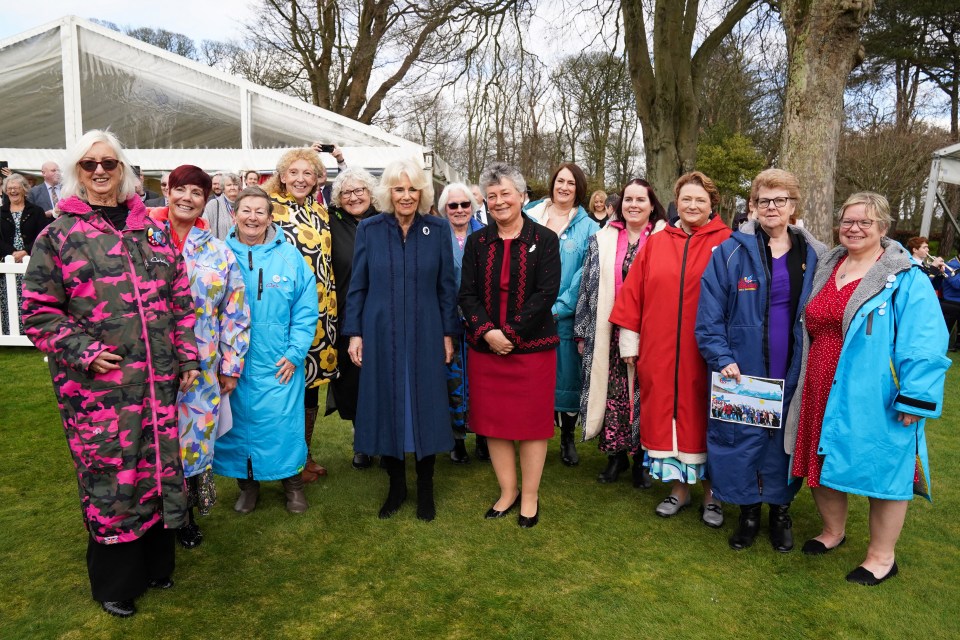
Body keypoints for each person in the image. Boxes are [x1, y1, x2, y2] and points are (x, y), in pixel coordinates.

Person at [21, 129, 200, 618]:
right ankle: (116, 582)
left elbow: (181, 302)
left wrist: (187, 358)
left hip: (159, 384)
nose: (99, 171)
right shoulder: (58, 236)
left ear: (122, 170)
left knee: (161, 467)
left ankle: (157, 566)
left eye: (108, 163)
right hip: (100, 388)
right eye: (88, 165)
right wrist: (84, 350)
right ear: (77, 173)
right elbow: (37, 311)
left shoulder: (155, 232)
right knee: (112, 475)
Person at [787, 192, 951, 585]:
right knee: (820, 459)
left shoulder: (903, 275)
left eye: (865, 222)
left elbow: (924, 340)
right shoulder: (828, 264)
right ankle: (833, 531)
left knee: (885, 468)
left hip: (874, 390)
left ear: (882, 227)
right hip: (819, 383)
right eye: (848, 220)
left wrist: (915, 395)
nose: (854, 228)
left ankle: (881, 556)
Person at [695, 169, 826, 552]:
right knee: (743, 441)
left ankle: (780, 512)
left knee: (784, 441)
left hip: (794, 368)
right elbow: (709, 316)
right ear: (752, 206)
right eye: (764, 201)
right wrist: (721, 357)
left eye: (780, 200)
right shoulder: (731, 252)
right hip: (744, 368)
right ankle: (749, 512)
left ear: (792, 206)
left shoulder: (815, 255)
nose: (771, 207)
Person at [609, 171, 732, 526]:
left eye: (701, 200)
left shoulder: (728, 243)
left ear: (713, 204)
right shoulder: (659, 241)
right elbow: (634, 292)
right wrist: (629, 339)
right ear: (676, 201)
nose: (692, 206)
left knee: (705, 418)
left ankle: (713, 495)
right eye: (686, 199)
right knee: (668, 418)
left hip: (706, 354)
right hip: (660, 349)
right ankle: (679, 489)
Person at [344, 158, 459, 522]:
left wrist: (447, 333)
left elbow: (445, 288)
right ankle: (396, 486)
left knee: (425, 403)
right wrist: (355, 333)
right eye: (399, 189)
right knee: (386, 403)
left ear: (422, 193)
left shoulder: (437, 231)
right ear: (388, 193)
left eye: (412, 189)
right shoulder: (371, 230)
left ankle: (425, 487)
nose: (406, 196)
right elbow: (358, 285)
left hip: (425, 331)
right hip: (380, 331)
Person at [149, 165, 250, 549]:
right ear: (167, 191)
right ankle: (153, 515)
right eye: (181, 190)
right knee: (154, 439)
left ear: (206, 200)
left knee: (193, 442)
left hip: (204, 366)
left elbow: (235, 311)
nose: (187, 198)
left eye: (197, 192)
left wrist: (231, 366)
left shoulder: (217, 250)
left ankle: (186, 515)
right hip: (150, 361)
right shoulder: (142, 240)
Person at [460, 162, 560, 528]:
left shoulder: (544, 240)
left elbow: (546, 293)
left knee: (532, 426)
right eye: (492, 196)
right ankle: (508, 491)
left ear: (522, 196)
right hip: (487, 350)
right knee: (495, 423)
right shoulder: (477, 242)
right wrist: (489, 333)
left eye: (506, 194)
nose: (499, 201)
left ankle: (530, 495)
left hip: (533, 350)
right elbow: (466, 294)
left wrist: (511, 335)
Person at [215, 187, 319, 514]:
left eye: (260, 211)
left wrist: (295, 353)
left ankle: (293, 485)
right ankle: (247, 486)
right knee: (238, 428)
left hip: (279, 360)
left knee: (283, 426)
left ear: (270, 217)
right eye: (246, 210)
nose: (253, 217)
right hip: (234, 361)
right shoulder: (219, 255)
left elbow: (305, 310)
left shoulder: (289, 258)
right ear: (234, 215)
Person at [575, 178, 666, 486]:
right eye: (628, 199)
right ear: (619, 204)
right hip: (609, 332)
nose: (634, 205)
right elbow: (587, 287)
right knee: (614, 395)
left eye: (641, 199)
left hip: (652, 333)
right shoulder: (603, 238)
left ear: (652, 205)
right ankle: (615, 457)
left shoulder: (665, 239)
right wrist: (582, 332)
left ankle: (642, 458)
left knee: (644, 395)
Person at [263, 149, 339, 481]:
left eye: (308, 173)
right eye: (293, 172)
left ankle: (304, 455)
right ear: (282, 176)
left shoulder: (321, 211)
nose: (300, 179)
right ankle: (282, 459)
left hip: (321, 314)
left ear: (317, 179)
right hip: (285, 315)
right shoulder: (270, 212)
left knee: (310, 387)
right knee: (283, 385)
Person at [524, 162, 599, 466]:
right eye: (560, 181)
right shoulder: (529, 215)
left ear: (578, 189)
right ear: (552, 183)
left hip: (563, 317)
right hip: (527, 315)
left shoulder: (590, 227)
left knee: (566, 378)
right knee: (530, 378)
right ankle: (529, 434)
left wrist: (557, 309)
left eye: (571, 183)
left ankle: (566, 437)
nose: (564, 187)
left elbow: (583, 276)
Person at [324, 167, 378, 470]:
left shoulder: (386, 220)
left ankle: (385, 439)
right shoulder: (331, 224)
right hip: (346, 313)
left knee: (382, 378)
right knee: (354, 380)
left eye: (360, 191)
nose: (354, 196)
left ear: (371, 194)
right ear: (339, 199)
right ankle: (362, 441)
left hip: (384, 313)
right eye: (346, 192)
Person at [439, 182, 485, 464]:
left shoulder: (485, 234)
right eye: (453, 205)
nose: (459, 210)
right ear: (445, 208)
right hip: (448, 320)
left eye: (464, 204)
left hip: (480, 321)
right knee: (452, 379)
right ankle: (456, 439)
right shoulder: (434, 234)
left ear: (473, 206)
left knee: (482, 381)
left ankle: (484, 436)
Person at [1, 173, 49, 334]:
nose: (13, 191)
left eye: (16, 188)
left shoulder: (36, 211)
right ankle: (11, 331)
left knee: (31, 296)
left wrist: (25, 251)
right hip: (8, 261)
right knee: (9, 296)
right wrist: (12, 253)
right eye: (9, 188)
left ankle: (32, 330)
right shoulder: (1, 212)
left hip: (31, 260)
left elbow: (43, 235)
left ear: (24, 189)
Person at [203, 172, 241, 240]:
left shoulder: (244, 205)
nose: (232, 187)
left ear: (239, 188)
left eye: (235, 184)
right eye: (229, 185)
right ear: (223, 188)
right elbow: (204, 229)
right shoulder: (213, 205)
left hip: (240, 248)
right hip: (219, 248)